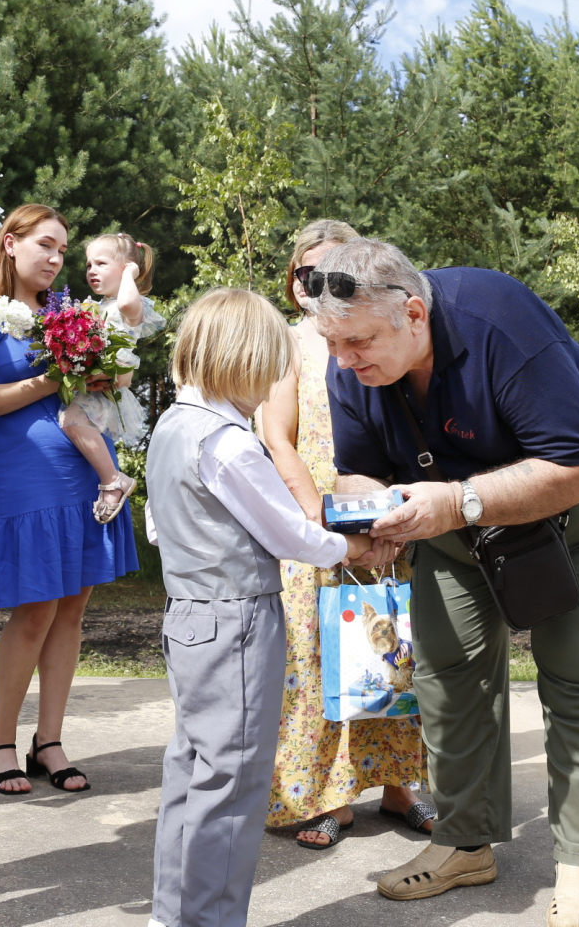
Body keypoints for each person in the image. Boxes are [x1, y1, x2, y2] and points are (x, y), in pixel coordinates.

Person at [310, 238, 579, 927]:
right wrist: (369, 519)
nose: (342, 361)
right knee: (446, 677)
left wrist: (458, 501)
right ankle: (463, 843)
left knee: (577, 679)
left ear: (413, 314)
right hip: (452, 525)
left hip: (576, 515)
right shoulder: (353, 364)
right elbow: (359, 469)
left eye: (357, 342)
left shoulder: (499, 322)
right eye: (331, 344)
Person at [144, 288, 390, 927]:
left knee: (193, 771)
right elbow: (291, 536)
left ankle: (172, 914)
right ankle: (211, 918)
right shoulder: (229, 442)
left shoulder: (170, 426)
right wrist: (354, 546)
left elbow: (158, 526)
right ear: (246, 360)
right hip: (238, 619)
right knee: (234, 783)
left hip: (187, 614)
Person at [0, 204, 140, 795]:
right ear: (10, 242)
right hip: (23, 483)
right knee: (34, 613)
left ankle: (48, 741)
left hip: (84, 476)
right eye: (44, 245)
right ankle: (2, 743)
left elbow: (101, 384)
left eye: (62, 250)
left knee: (72, 612)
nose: (55, 259)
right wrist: (50, 379)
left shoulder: (64, 312)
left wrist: (104, 370)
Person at [259, 220, 430, 848]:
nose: (320, 282)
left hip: (385, 518)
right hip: (315, 524)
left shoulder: (383, 334)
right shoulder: (286, 343)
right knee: (315, 658)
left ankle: (399, 786)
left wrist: (394, 517)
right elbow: (277, 438)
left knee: (391, 652)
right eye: (308, 272)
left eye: (336, 269)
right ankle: (325, 797)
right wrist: (318, 520)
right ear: (294, 281)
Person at [60, 231, 165, 522]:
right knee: (71, 421)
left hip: (109, 384)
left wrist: (131, 274)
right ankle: (110, 478)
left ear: (127, 268)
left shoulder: (132, 303)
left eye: (101, 263)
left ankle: (114, 480)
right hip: (96, 381)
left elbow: (127, 305)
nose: (91, 270)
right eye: (89, 265)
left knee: (71, 421)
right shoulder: (99, 306)